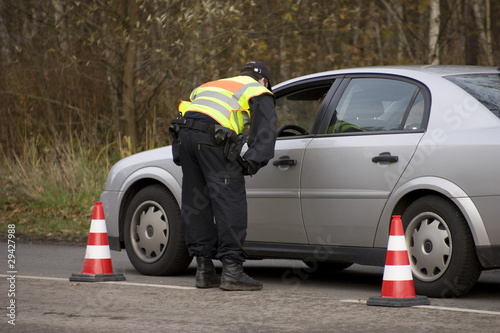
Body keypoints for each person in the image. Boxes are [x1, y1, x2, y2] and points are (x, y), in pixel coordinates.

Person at [170, 61, 277, 291]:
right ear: (264, 81)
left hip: (186, 137)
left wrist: (179, 152)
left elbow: (186, 111)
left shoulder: (212, 85)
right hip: (213, 140)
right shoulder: (258, 90)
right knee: (230, 200)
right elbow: (266, 131)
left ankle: (204, 270)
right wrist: (249, 163)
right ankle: (232, 271)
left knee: (196, 200)